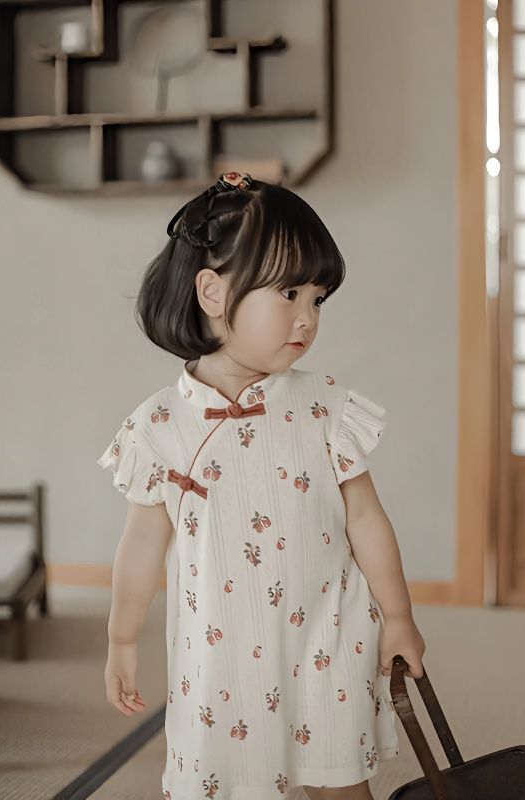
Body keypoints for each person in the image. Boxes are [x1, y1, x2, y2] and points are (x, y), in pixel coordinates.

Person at [96, 172, 426, 800]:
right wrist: (120, 637)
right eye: (289, 293)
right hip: (220, 659)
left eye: (318, 299)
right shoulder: (158, 427)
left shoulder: (326, 408)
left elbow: (366, 519)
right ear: (213, 292)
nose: (307, 317)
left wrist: (399, 616)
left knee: (339, 785)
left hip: (328, 638)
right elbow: (140, 546)